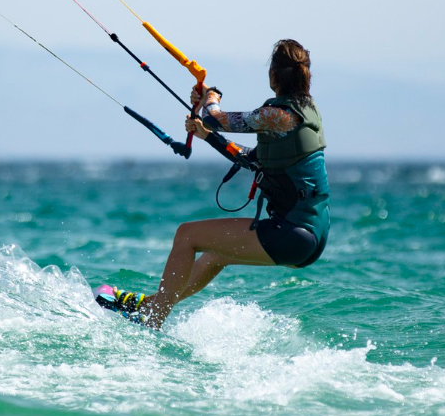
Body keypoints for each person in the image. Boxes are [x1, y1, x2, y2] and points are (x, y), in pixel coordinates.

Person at [96, 39, 328, 329]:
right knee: (215, 254)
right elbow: (249, 158)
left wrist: (211, 94)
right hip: (312, 237)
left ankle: (152, 317)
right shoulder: (306, 113)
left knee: (186, 236)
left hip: (293, 234)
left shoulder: (276, 115)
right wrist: (206, 136)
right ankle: (152, 304)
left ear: (273, 75)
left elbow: (215, 117)